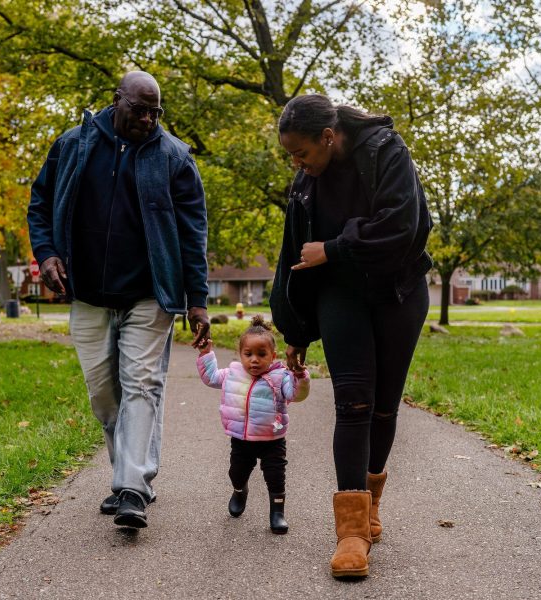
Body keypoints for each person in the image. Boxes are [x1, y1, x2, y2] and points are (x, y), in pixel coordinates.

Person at [27, 71, 210, 529]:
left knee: (142, 383)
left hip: (151, 292)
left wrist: (198, 299)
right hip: (86, 292)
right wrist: (47, 254)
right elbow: (41, 202)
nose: (148, 119)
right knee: (104, 394)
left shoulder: (174, 159)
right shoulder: (73, 144)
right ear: (117, 101)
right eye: (139, 109)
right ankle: (129, 475)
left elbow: (193, 233)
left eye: (156, 112)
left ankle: (131, 488)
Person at [270, 94, 432, 577]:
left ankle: (370, 503)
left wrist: (336, 247)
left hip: (397, 292)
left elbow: (404, 226)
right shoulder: (306, 184)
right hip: (341, 296)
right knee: (354, 402)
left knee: (385, 404)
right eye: (289, 156)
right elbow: (293, 259)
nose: (296, 163)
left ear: (328, 136)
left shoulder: (385, 150)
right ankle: (352, 532)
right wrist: (296, 329)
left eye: (301, 152)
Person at [196, 316, 310, 534]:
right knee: (236, 473)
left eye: (261, 354)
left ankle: (277, 513)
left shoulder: (281, 376)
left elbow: (296, 395)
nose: (254, 360)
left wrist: (299, 375)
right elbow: (210, 377)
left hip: (272, 440)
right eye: (248, 354)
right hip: (241, 439)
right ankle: (240, 490)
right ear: (240, 355)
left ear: (273, 356)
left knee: (276, 477)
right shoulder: (232, 374)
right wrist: (205, 354)